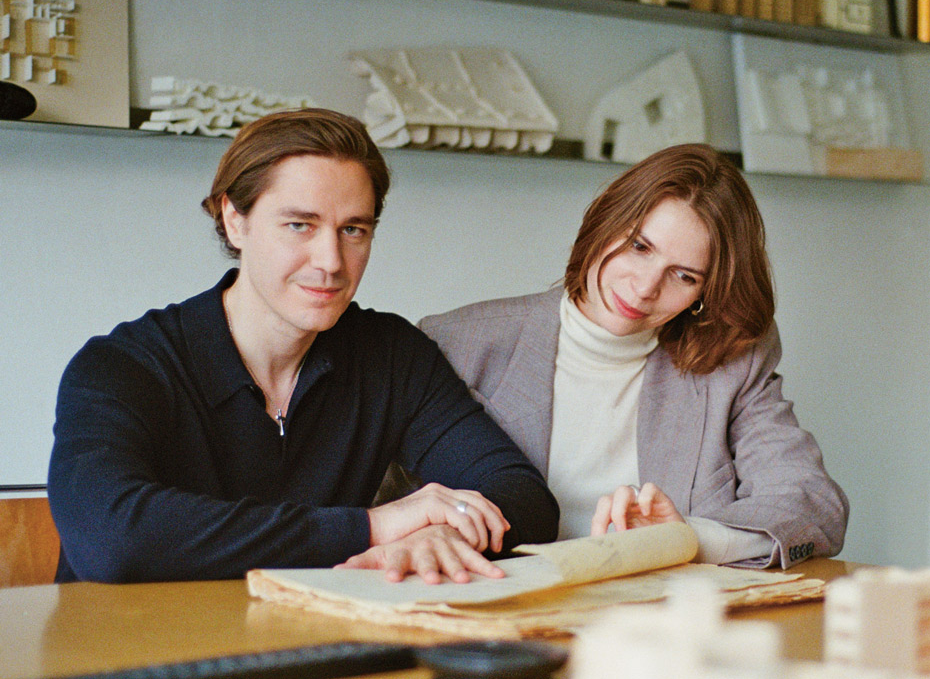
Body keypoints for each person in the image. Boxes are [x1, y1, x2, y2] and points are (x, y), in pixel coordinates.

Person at [48, 108, 558, 584]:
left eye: (353, 230)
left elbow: (522, 494)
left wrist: (445, 531)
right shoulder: (122, 365)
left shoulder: (391, 355)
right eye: (299, 225)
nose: (331, 261)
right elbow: (111, 537)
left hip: (299, 635)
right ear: (235, 220)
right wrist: (374, 527)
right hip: (134, 641)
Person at [417, 144, 848, 567]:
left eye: (684, 276)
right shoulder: (457, 344)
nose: (645, 288)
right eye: (640, 247)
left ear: (705, 292)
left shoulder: (730, 364)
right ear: (604, 223)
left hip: (660, 609)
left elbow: (814, 506)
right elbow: (394, 510)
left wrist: (685, 539)